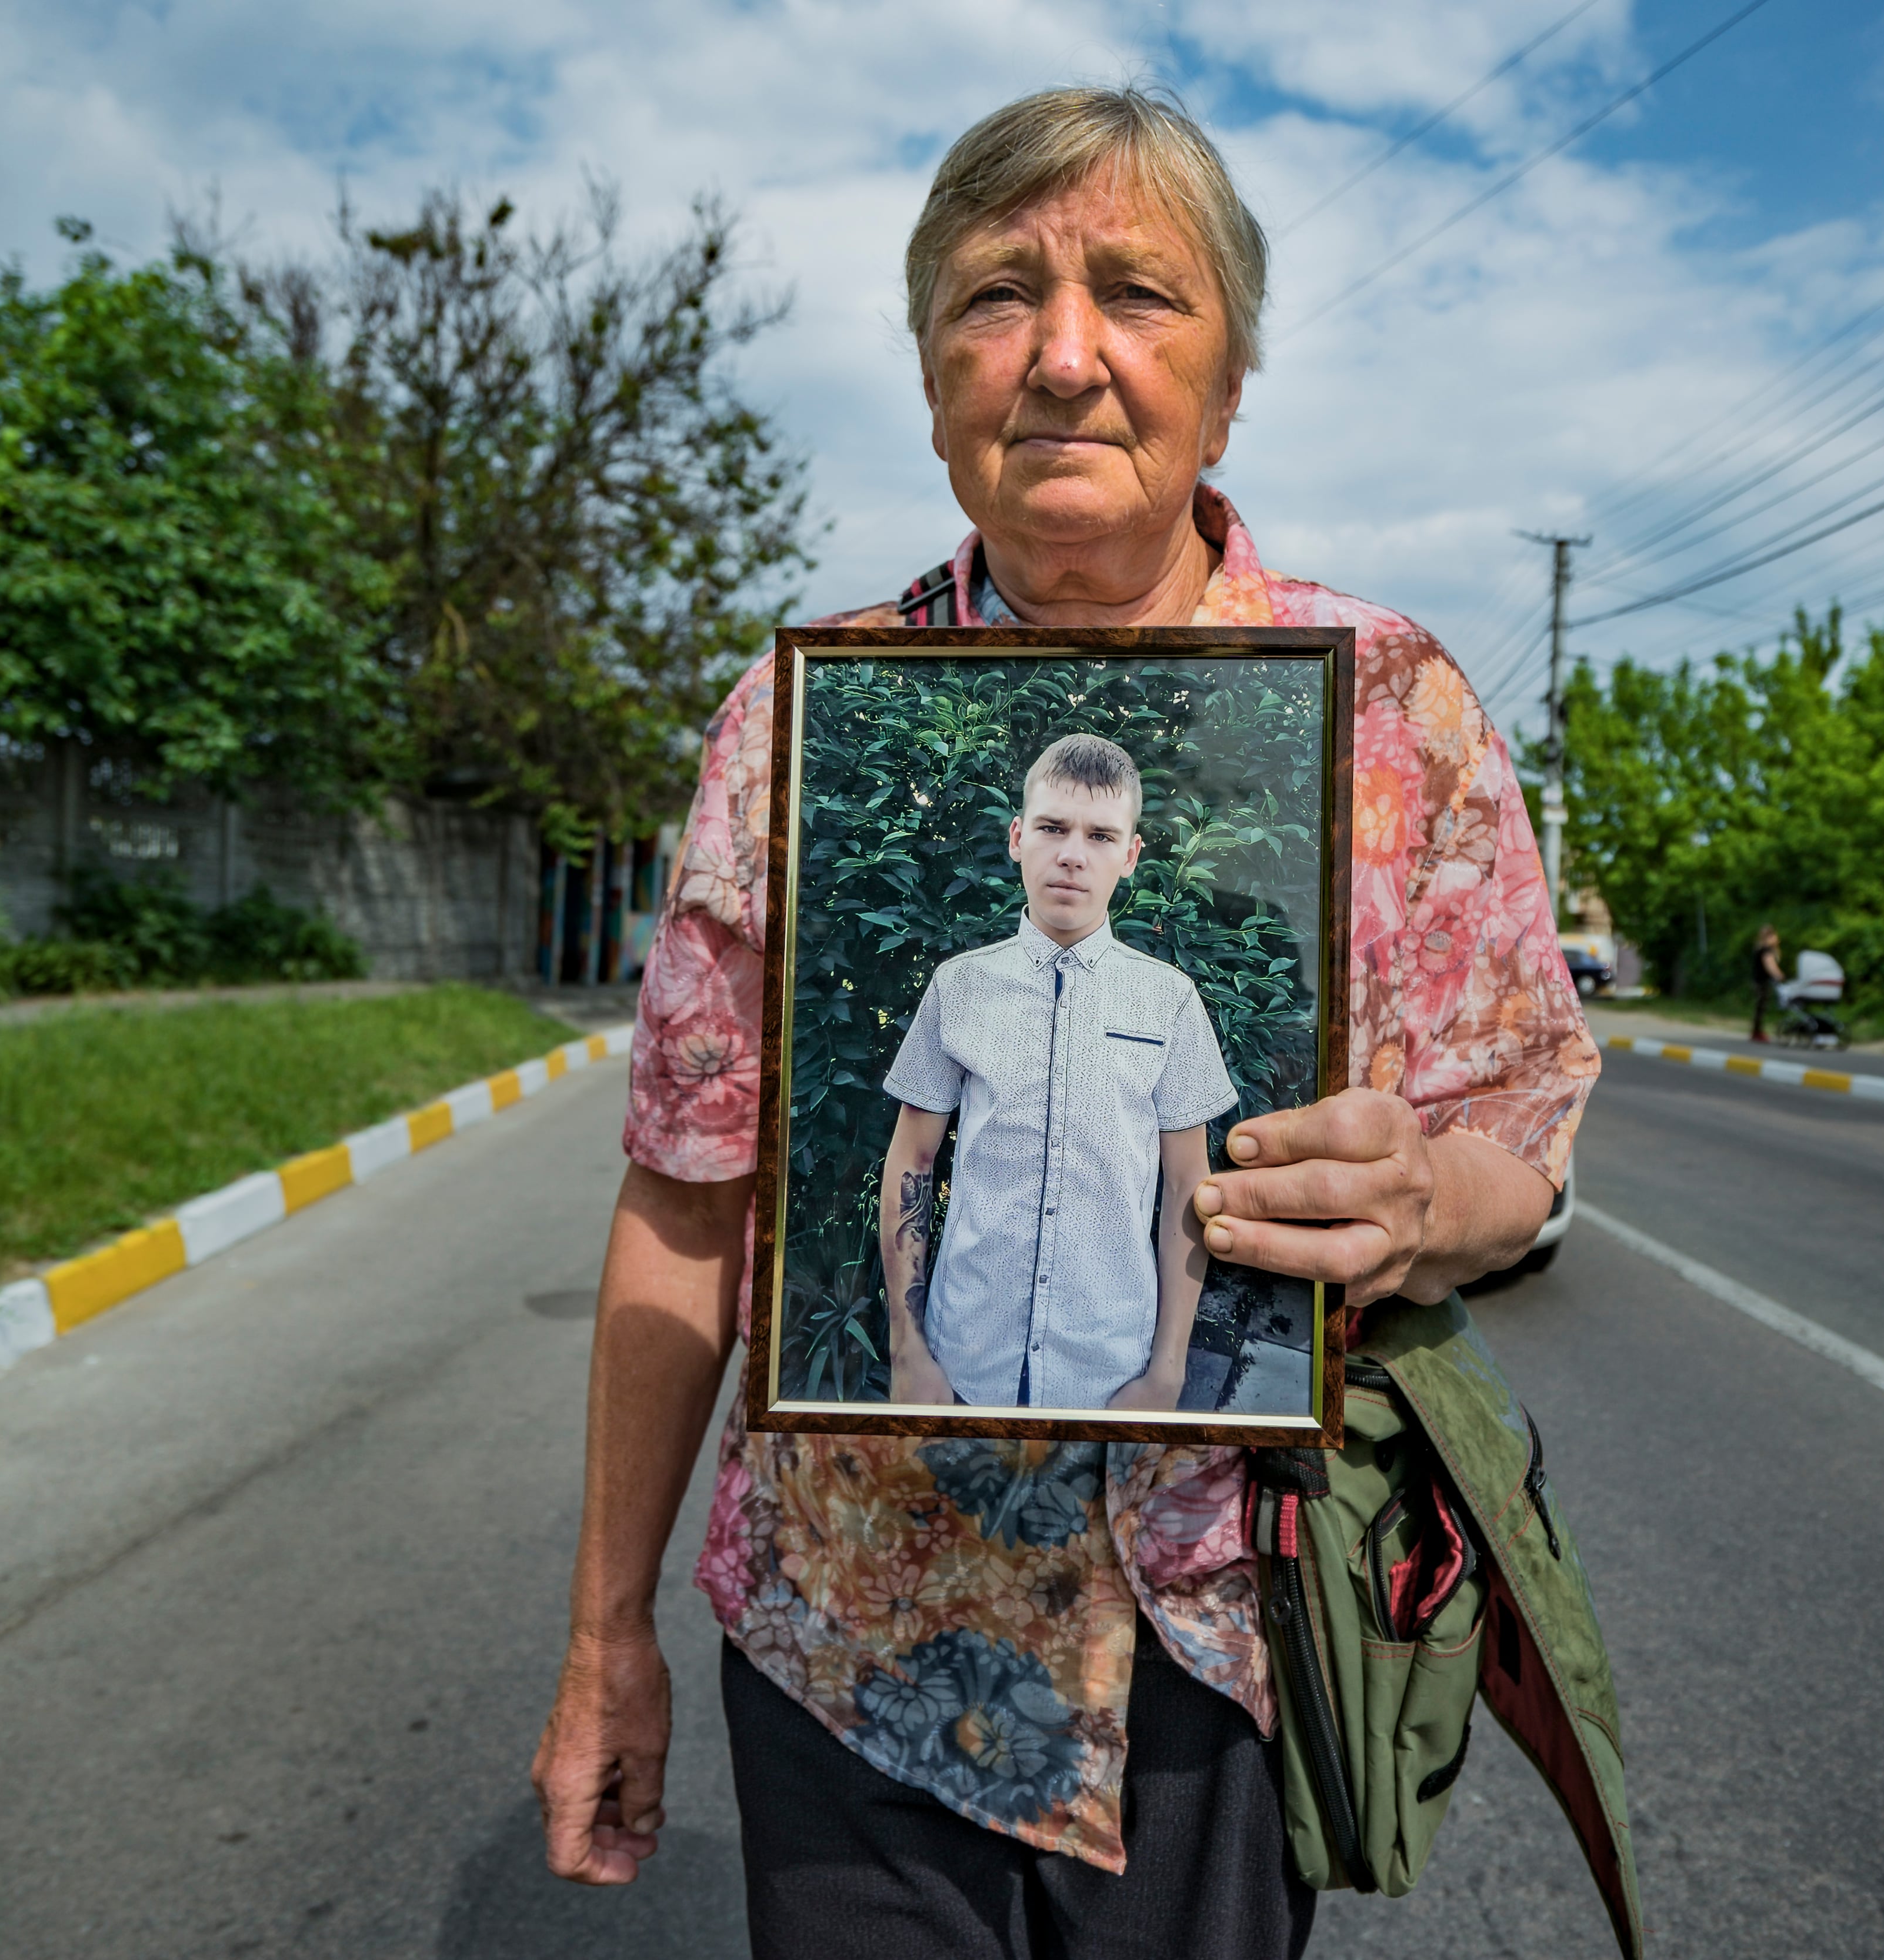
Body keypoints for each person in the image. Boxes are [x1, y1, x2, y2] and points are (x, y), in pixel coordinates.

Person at [532, 84, 1600, 1960]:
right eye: (994, 297)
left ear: (1233, 369)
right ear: (934, 367)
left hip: (1222, 1641)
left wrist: (1421, 1196)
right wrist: (602, 1634)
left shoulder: (1395, 712)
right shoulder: (791, 733)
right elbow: (691, 1210)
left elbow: (1521, 1149)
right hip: (846, 1640)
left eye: (1139, 293)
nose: (1065, 357)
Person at [879, 732, 1236, 1413]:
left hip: (1109, 1377)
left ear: (1130, 856)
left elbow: (1190, 1187)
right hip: (963, 1367)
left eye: (1101, 836)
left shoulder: (1168, 1001)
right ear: (1018, 837)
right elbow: (911, 1161)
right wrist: (909, 1352)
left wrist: (1165, 1374)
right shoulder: (960, 988)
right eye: (1051, 828)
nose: (1072, 854)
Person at [1750, 923, 1782, 1043]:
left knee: (1760, 1007)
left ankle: (1756, 1031)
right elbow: (1770, 965)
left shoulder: (1759, 948)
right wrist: (1779, 975)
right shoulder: (1766, 950)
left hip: (1757, 980)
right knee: (1761, 1007)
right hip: (1762, 982)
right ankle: (1757, 1032)